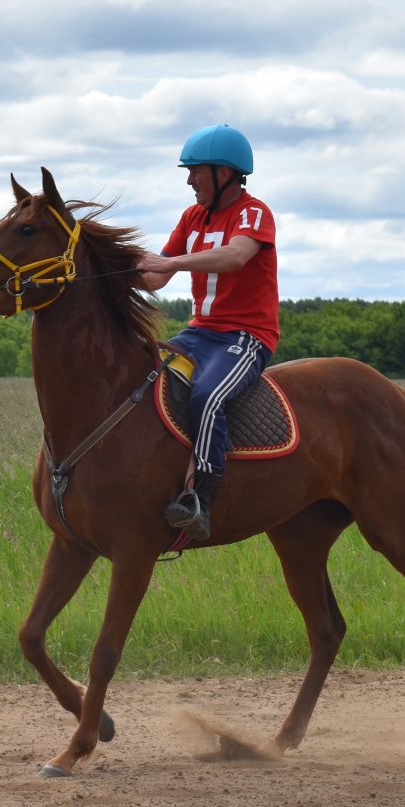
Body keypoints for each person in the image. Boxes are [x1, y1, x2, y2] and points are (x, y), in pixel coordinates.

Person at [136, 124, 279, 540]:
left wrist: (172, 264)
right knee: (146, 375)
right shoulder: (191, 217)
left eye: (196, 170)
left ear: (225, 174)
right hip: (198, 334)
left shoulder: (254, 213)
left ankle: (201, 498)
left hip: (246, 338)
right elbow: (155, 278)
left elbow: (235, 257)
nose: (189, 180)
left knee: (207, 394)